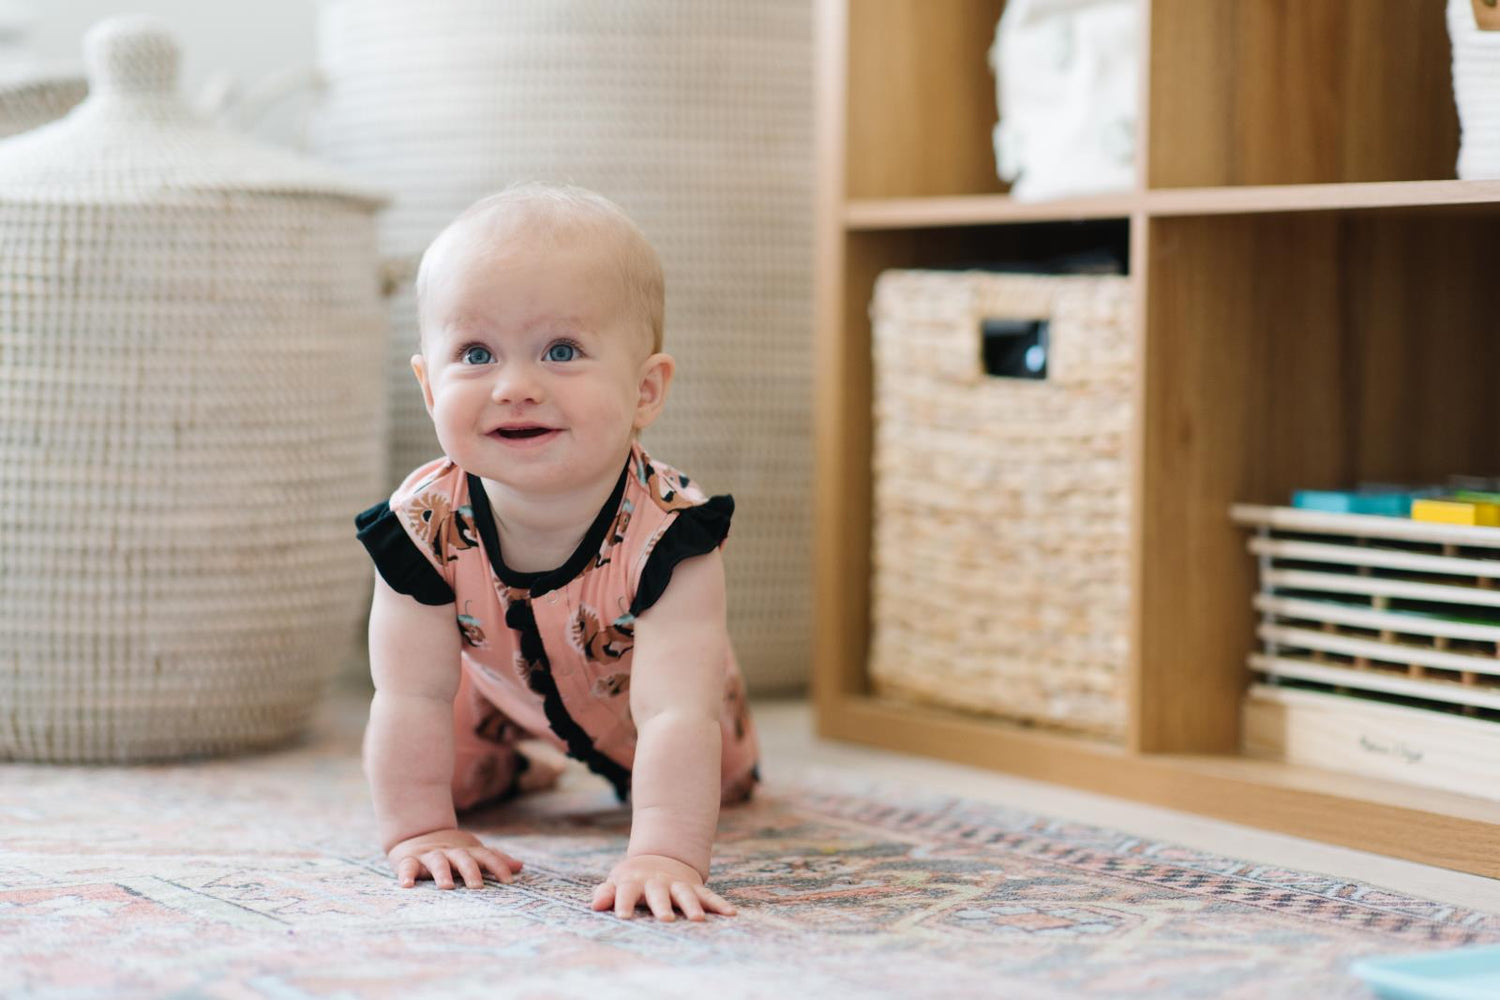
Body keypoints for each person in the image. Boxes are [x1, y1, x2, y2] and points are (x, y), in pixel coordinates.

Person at [354, 183, 759, 922]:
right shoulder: (422, 523)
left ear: (645, 390)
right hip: (497, 689)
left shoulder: (671, 534)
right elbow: (409, 694)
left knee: (714, 778)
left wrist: (664, 854)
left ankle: (643, 800)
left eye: (561, 351)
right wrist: (422, 830)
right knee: (453, 770)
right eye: (475, 354)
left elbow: (675, 711)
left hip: (651, 713)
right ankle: (512, 770)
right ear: (427, 386)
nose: (514, 387)